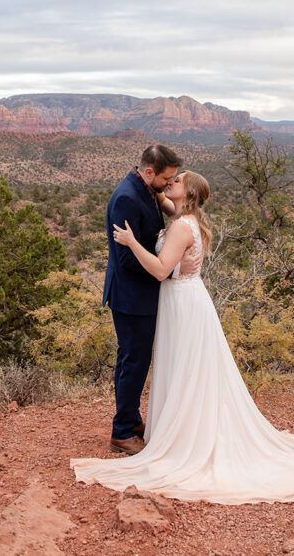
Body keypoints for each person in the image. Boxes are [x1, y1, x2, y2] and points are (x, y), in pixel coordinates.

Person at [72, 171, 294, 504]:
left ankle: (187, 437)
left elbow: (162, 270)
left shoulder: (179, 226)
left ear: (188, 193)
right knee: (189, 367)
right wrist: (145, 179)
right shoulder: (186, 216)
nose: (171, 182)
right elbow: (157, 195)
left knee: (186, 366)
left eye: (177, 181)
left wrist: (132, 243)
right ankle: (185, 427)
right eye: (169, 178)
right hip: (188, 299)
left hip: (182, 302)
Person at [101, 144, 184, 455]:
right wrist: (165, 266)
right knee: (134, 362)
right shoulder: (126, 197)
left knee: (133, 360)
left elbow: (170, 207)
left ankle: (131, 419)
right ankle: (121, 432)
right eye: (166, 178)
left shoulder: (145, 188)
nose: (168, 183)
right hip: (131, 295)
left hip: (139, 293)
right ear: (149, 172)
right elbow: (126, 259)